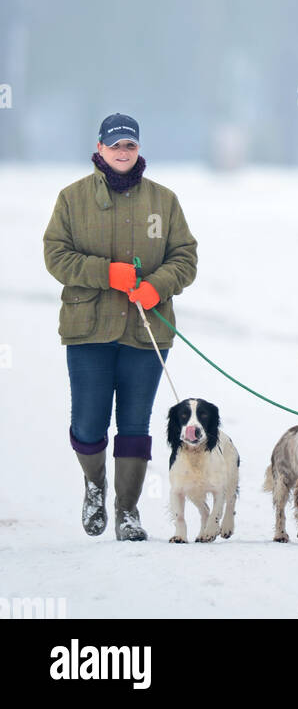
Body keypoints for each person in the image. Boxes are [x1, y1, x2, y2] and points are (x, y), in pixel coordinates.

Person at [43, 114, 198, 540]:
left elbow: (185, 256)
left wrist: (158, 286)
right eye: (116, 146)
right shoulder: (72, 199)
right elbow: (55, 256)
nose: (123, 152)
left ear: (139, 149)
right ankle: (94, 485)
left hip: (146, 332)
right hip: (87, 330)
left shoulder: (164, 201)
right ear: (100, 148)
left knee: (135, 423)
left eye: (130, 145)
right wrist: (105, 274)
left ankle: (127, 511)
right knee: (90, 422)